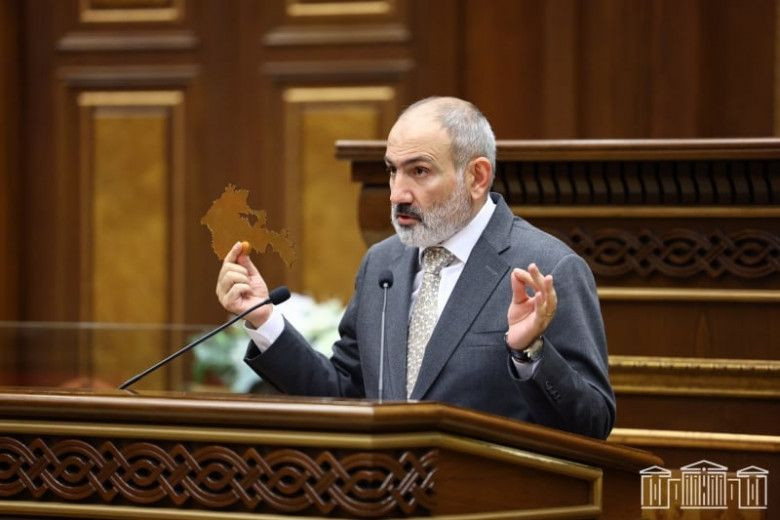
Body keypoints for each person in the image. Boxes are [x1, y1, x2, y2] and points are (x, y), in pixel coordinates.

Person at [216, 97, 615, 439]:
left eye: (419, 171)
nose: (397, 194)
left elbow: (592, 423)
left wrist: (530, 352)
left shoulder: (547, 267)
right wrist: (264, 321)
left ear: (477, 177)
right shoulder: (382, 264)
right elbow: (345, 393)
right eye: (393, 170)